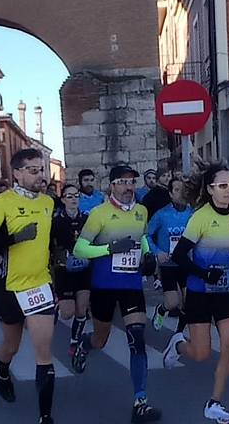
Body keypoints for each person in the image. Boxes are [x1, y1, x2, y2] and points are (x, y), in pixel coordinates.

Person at [162, 161, 229, 424]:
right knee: (201, 353)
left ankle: (214, 403)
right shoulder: (200, 217)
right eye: (223, 186)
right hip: (200, 291)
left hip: (226, 290)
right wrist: (203, 273)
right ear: (210, 189)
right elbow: (179, 255)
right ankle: (176, 344)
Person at [71, 165, 161, 423]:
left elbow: (142, 237)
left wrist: (147, 254)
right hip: (104, 286)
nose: (128, 187)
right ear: (112, 185)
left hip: (131, 285)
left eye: (131, 182)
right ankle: (84, 345)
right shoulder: (99, 213)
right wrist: (110, 249)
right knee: (101, 340)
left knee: (137, 338)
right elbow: (80, 249)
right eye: (122, 182)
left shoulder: (141, 211)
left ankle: (140, 401)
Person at [0, 148, 56, 424]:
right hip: (11, 287)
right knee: (11, 346)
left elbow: (51, 242)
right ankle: (2, 369)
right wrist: (15, 238)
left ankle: (45, 417)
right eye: (34, 171)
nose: (41, 176)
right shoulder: (3, 202)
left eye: (42, 170)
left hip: (39, 286)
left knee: (44, 355)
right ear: (17, 173)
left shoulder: (48, 203)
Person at [148, 178, 193, 334]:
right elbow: (146, 235)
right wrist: (157, 252)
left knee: (189, 301)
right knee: (172, 302)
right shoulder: (161, 215)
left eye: (184, 190)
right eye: (177, 190)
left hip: (186, 263)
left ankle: (179, 332)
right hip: (168, 264)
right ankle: (161, 310)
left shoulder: (191, 213)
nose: (181, 193)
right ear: (170, 194)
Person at [50, 184, 90, 356]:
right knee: (68, 313)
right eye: (69, 196)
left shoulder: (87, 219)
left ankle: (75, 341)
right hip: (64, 270)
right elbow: (49, 246)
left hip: (83, 269)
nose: (73, 199)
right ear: (63, 199)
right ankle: (58, 305)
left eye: (76, 196)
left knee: (82, 310)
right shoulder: (56, 221)